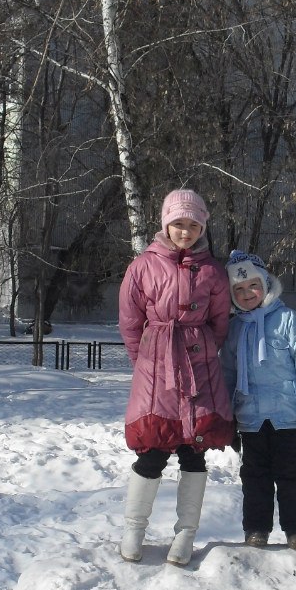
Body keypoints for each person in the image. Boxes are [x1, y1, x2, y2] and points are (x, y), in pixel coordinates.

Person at [118, 189, 234, 565]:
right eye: (179, 224)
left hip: (199, 369)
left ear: (202, 228)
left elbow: (219, 323)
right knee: (151, 448)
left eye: (193, 225)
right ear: (166, 223)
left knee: (194, 451)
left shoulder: (213, 271)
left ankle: (185, 533)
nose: (186, 231)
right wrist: (145, 361)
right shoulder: (143, 266)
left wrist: (202, 350)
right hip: (156, 369)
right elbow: (130, 321)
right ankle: (134, 529)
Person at [221, 250, 296, 550]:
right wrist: (227, 417)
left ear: (265, 284)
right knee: (254, 476)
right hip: (250, 418)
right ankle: (256, 529)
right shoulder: (235, 328)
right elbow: (227, 373)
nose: (246, 293)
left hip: (286, 415)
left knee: (291, 474)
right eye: (238, 289)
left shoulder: (288, 319)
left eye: (252, 285)